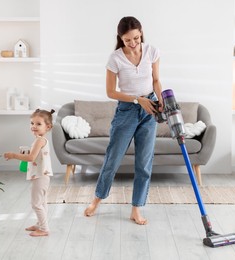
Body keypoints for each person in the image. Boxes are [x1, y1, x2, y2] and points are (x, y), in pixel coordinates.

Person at [84, 16, 163, 225]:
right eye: (128, 40)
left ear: (141, 32)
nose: (133, 43)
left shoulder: (152, 51)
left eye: (136, 38)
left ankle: (137, 208)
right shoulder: (115, 58)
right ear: (120, 38)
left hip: (150, 110)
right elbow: (111, 92)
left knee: (144, 163)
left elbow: (156, 80)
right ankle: (96, 200)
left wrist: (161, 101)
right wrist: (138, 100)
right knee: (113, 159)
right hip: (127, 110)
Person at [4, 109, 55, 236]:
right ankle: (39, 224)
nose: (33, 126)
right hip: (42, 176)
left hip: (40, 176)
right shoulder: (40, 140)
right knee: (42, 202)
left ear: (48, 127)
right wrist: (27, 153)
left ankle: (44, 229)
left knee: (36, 203)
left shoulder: (39, 140)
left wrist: (13, 155)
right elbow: (36, 156)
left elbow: (31, 158)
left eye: (38, 124)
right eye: (32, 123)